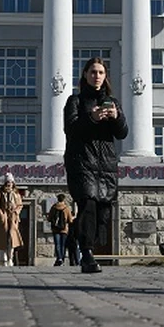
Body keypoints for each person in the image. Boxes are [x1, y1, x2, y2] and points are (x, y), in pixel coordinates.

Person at [64, 57, 128, 273]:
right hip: (81, 161)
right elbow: (70, 129)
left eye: (100, 72)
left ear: (105, 76)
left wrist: (116, 117)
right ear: (85, 75)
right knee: (88, 205)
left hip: (106, 164)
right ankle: (87, 256)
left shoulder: (113, 102)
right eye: (92, 72)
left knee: (102, 215)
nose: (97, 76)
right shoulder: (75, 101)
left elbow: (122, 133)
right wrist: (90, 117)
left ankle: (74, 235)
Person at [0, 173, 23, 267]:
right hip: (4, 217)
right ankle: (3, 259)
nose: (9, 183)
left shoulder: (16, 194)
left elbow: (20, 205)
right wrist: (0, 213)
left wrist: (16, 212)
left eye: (11, 182)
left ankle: (11, 258)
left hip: (13, 218)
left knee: (12, 238)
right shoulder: (1, 193)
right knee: (3, 238)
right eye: (7, 182)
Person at [48, 193, 74, 266]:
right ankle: (61, 259)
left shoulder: (53, 207)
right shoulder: (66, 208)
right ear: (64, 199)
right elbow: (70, 220)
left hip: (55, 229)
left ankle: (59, 258)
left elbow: (49, 218)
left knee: (57, 244)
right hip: (64, 229)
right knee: (63, 245)